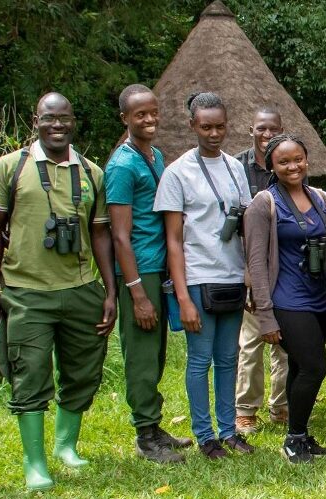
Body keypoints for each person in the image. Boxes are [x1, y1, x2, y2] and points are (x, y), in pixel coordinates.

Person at [0, 92, 117, 490]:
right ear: (36, 120)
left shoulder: (91, 171)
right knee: (29, 372)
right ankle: (35, 463)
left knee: (82, 370)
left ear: (73, 120)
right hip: (26, 290)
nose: (56, 125)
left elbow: (100, 234)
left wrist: (110, 291)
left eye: (63, 118)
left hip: (80, 288)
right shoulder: (11, 168)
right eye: (49, 119)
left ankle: (66, 445)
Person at [154, 92, 254, 460]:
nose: (214, 133)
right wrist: (182, 297)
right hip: (197, 278)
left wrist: (247, 274)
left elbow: (244, 224)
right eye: (207, 126)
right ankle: (205, 435)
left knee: (229, 357)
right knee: (200, 360)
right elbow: (174, 240)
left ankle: (229, 432)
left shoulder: (235, 167)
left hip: (230, 277)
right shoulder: (178, 172)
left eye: (221, 126)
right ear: (192, 125)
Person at [105, 84, 192, 464]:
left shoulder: (155, 156)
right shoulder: (122, 166)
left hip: (159, 266)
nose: (149, 119)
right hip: (138, 270)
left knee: (155, 352)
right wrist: (137, 292)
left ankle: (155, 426)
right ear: (125, 118)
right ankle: (144, 434)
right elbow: (120, 236)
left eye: (153, 112)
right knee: (140, 354)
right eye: (140, 114)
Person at [243, 133, 326, 463]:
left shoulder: (322, 198)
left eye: (298, 159)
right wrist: (264, 315)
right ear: (271, 165)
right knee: (314, 366)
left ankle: (301, 435)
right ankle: (294, 438)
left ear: (307, 160)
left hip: (321, 298)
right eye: (283, 161)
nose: (292, 166)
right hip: (287, 299)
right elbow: (255, 261)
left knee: (299, 366)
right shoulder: (263, 203)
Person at [234, 107, 290, 433]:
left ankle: (281, 406)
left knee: (285, 343)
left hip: (283, 267)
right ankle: (246, 409)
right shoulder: (237, 167)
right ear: (251, 129)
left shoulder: (289, 165)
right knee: (251, 342)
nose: (267, 134)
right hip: (250, 266)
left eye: (273, 129)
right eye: (261, 129)